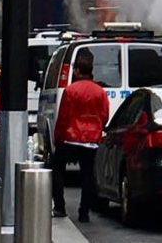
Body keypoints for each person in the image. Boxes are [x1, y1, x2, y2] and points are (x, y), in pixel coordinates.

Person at [52, 58, 109, 223]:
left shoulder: (71, 91)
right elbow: (104, 115)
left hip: (70, 137)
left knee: (56, 168)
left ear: (77, 70)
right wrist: (97, 129)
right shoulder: (100, 92)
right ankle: (84, 212)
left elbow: (63, 117)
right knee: (88, 175)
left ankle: (60, 207)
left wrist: (58, 137)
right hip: (91, 139)